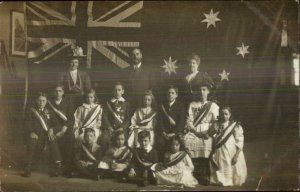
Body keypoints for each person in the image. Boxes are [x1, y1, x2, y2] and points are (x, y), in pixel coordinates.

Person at [183, 79, 219, 185]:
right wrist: (195, 131)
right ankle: (193, 172)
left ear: (208, 91)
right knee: (186, 141)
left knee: (207, 143)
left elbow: (215, 122)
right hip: (194, 130)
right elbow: (189, 120)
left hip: (207, 131)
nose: (202, 92)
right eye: (200, 90)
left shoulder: (213, 106)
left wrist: (208, 133)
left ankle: (204, 173)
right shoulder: (192, 104)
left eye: (204, 90)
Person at [23, 92, 62, 177]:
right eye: (39, 100)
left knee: (53, 139)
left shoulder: (50, 112)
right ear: (36, 101)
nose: (41, 103)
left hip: (46, 135)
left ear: (46, 101)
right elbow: (27, 124)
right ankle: (28, 167)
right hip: (36, 135)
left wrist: (52, 129)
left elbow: (58, 125)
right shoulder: (31, 111)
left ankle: (57, 167)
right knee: (32, 141)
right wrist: (31, 132)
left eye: (43, 101)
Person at [209, 106, 247, 186]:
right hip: (219, 149)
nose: (224, 116)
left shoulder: (234, 125)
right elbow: (210, 134)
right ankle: (221, 179)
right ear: (219, 114)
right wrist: (213, 130)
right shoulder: (216, 124)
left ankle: (229, 180)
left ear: (230, 115)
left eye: (226, 114)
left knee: (229, 163)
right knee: (221, 163)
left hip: (230, 148)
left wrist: (236, 155)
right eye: (222, 114)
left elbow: (239, 141)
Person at [47, 84, 75, 174]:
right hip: (54, 127)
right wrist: (50, 129)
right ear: (53, 92)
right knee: (51, 138)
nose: (57, 93)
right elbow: (47, 119)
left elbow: (71, 119)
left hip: (66, 127)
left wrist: (63, 130)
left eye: (60, 91)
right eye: (56, 91)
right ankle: (58, 163)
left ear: (63, 92)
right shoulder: (49, 103)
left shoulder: (68, 102)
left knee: (70, 137)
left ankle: (67, 165)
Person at [156, 85, 186, 160]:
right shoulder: (162, 106)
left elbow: (181, 122)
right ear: (166, 94)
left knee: (177, 143)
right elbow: (159, 121)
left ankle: (176, 161)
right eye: (168, 93)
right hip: (164, 132)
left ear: (176, 95)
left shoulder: (180, 106)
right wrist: (163, 132)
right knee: (160, 142)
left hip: (176, 132)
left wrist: (174, 133)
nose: (170, 95)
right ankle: (163, 162)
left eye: (172, 93)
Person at [100, 82, 131, 151]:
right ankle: (107, 157)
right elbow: (105, 117)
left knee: (127, 139)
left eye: (119, 90)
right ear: (113, 91)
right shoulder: (108, 103)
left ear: (123, 91)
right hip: (110, 128)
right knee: (104, 138)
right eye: (115, 90)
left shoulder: (126, 104)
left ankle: (124, 157)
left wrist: (123, 128)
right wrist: (109, 127)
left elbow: (128, 118)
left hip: (122, 129)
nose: (117, 92)